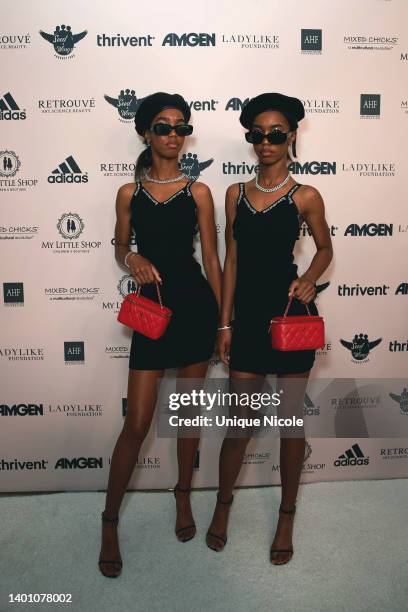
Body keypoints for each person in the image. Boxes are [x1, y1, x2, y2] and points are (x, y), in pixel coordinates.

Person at [99, 92, 222, 578]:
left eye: (180, 127)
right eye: (163, 126)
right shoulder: (129, 192)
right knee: (138, 423)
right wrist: (131, 259)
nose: (173, 134)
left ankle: (183, 497)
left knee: (187, 415)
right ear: (145, 133)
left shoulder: (199, 191)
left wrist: (223, 321)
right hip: (153, 311)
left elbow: (211, 260)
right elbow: (119, 245)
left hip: (194, 307)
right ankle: (110, 520)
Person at [209, 93, 333, 564]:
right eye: (257, 134)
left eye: (276, 134)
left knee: (289, 425)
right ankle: (222, 505)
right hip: (248, 322)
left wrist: (307, 279)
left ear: (291, 136)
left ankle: (286, 515)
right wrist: (225, 322)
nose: (266, 142)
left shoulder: (306, 195)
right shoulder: (235, 194)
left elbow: (324, 249)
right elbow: (232, 261)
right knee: (239, 424)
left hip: (288, 320)